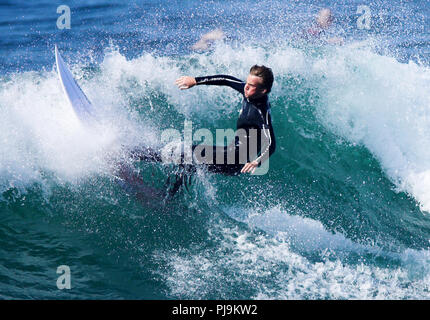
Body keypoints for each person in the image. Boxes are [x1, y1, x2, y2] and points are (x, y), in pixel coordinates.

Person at [175, 64, 276, 175]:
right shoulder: (248, 92)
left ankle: (153, 157)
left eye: (251, 85)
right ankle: (170, 190)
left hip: (233, 161)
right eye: (247, 83)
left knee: (185, 153)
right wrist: (195, 80)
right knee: (187, 161)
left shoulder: (262, 112)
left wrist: (257, 161)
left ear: (263, 91)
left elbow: (271, 143)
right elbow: (226, 79)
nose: (246, 87)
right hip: (231, 154)